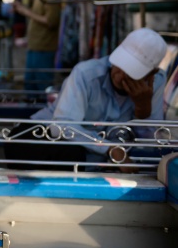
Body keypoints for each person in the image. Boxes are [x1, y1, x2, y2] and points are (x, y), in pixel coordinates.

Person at [11, 28, 168, 168]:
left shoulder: (157, 83)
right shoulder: (86, 74)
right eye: (120, 64)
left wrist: (143, 110)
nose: (120, 74)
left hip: (95, 155)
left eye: (131, 70)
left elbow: (149, 145)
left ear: (151, 74)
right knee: (65, 152)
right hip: (47, 136)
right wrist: (109, 149)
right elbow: (63, 126)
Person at [13, 0, 62, 92]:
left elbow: (51, 21)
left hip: (43, 47)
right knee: (31, 85)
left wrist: (26, 11)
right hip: (35, 46)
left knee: (43, 86)